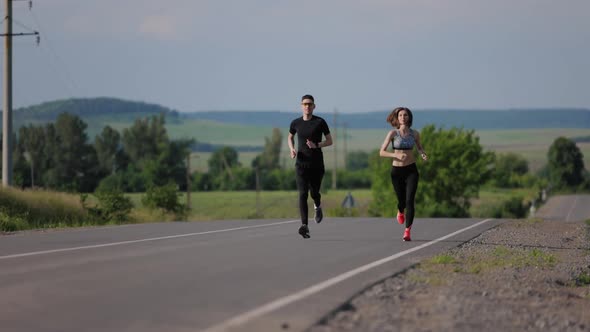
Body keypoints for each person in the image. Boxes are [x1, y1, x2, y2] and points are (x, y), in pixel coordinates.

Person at [379, 107, 427, 241]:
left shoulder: (415, 134)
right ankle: (400, 211)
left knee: (410, 200)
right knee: (402, 201)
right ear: (397, 118)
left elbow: (419, 147)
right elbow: (381, 152)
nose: (403, 117)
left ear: (409, 118)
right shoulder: (393, 134)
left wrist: (422, 153)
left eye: (405, 115)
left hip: (411, 170)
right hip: (397, 171)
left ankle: (407, 231)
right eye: (400, 115)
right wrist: (395, 155)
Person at [288, 94, 333, 239]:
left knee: (314, 192)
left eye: (310, 104)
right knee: (302, 193)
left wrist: (317, 145)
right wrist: (292, 148)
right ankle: (304, 226)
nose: (307, 106)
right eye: (305, 104)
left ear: (314, 106)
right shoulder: (295, 123)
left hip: (316, 164)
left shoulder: (320, 122)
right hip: (301, 164)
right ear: (301, 106)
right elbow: (290, 136)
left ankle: (317, 205)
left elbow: (330, 140)